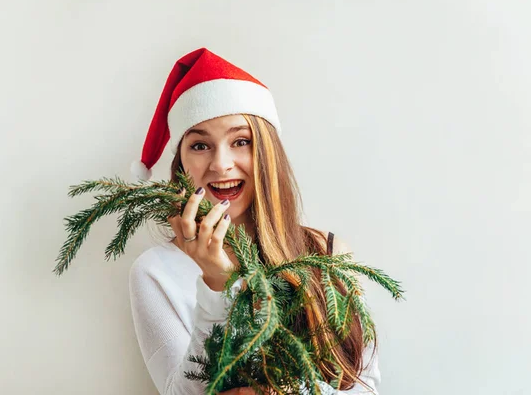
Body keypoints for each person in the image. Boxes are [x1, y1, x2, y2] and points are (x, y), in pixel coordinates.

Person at [128, 48, 381, 395]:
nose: (221, 164)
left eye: (241, 141)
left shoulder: (326, 251)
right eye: (200, 145)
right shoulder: (156, 272)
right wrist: (216, 286)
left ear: (266, 153)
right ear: (181, 164)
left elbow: (366, 387)